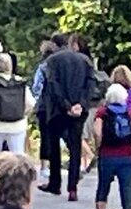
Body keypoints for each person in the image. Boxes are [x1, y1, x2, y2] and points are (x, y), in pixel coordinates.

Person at [37, 34, 99, 200]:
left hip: (57, 109)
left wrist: (66, 105)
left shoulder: (52, 61)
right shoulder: (85, 61)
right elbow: (91, 84)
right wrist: (81, 104)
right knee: (75, 146)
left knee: (54, 145)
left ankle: (55, 183)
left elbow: (53, 85)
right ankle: (73, 188)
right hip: (79, 110)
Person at [90, 83, 131, 209]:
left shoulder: (102, 112)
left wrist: (98, 148)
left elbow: (97, 133)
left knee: (103, 186)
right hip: (127, 157)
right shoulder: (129, 114)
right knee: (127, 188)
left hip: (107, 155)